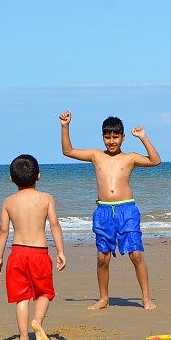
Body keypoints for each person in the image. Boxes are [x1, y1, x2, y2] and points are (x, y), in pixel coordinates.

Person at [59, 110, 160, 310]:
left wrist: (143, 137)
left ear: (123, 137)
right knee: (102, 258)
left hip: (127, 210)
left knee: (136, 255)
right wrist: (65, 126)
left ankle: (146, 298)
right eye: (107, 137)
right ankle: (103, 298)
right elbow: (68, 151)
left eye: (115, 137)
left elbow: (155, 160)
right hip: (104, 211)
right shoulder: (96, 156)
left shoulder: (130, 158)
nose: (111, 141)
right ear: (103, 137)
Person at [0, 154, 66, 340]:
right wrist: (60, 251)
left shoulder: (8, 202)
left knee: (21, 298)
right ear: (38, 176)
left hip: (17, 254)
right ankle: (38, 322)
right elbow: (55, 225)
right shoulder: (46, 198)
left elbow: (3, 231)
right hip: (39, 253)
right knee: (44, 293)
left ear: (11, 178)